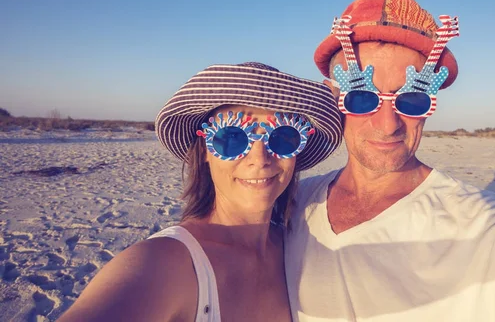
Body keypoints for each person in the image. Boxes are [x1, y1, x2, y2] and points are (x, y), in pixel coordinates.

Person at [285, 0, 495, 321]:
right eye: (363, 98)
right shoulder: (290, 206)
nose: (388, 124)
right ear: (332, 96)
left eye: (411, 100)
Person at [58, 62, 343, 322]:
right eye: (232, 137)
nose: (260, 158)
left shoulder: (298, 245)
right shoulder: (162, 265)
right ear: (205, 150)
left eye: (282, 137)